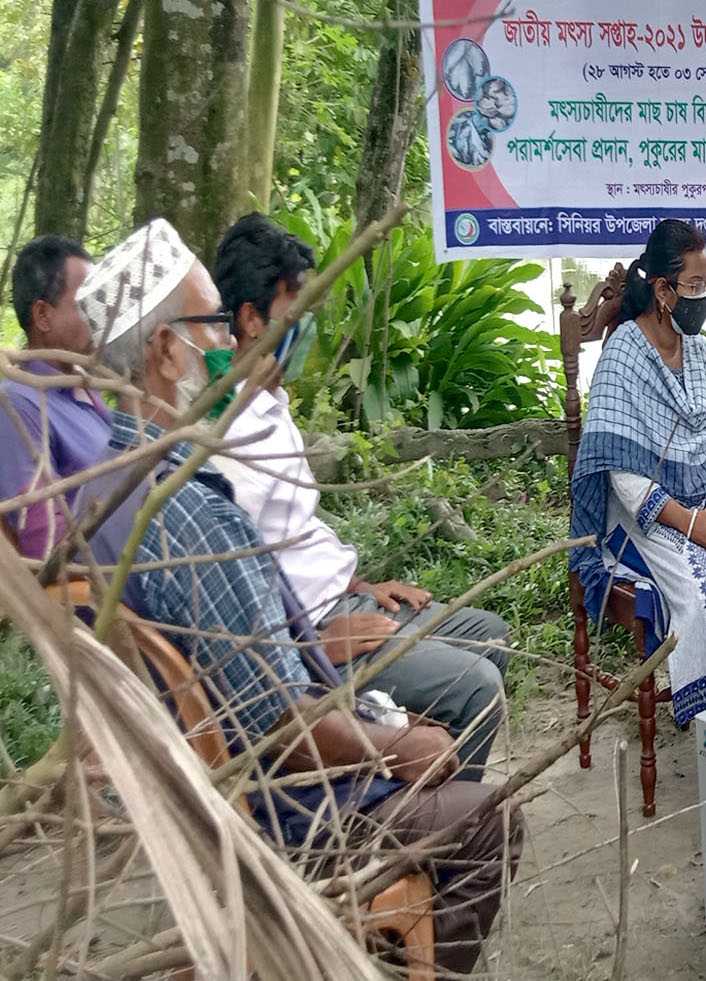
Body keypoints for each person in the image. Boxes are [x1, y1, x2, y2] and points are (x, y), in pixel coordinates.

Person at [71, 219, 523, 975]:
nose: (229, 339)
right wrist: (395, 744)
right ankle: (378, 944)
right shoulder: (192, 509)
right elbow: (278, 720)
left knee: (454, 687)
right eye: (213, 323)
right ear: (165, 352)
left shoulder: (104, 485)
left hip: (222, 778)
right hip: (291, 808)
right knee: (487, 816)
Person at [209, 214, 512, 781]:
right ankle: (441, 821)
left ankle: (430, 792)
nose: (309, 326)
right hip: (314, 638)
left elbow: (292, 538)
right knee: (477, 687)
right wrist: (311, 646)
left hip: (345, 606)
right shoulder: (228, 437)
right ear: (251, 319)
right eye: (297, 310)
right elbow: (234, 590)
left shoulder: (269, 406)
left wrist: (360, 586)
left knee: (490, 636)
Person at [570, 218, 706, 724]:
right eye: (693, 286)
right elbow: (624, 478)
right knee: (701, 596)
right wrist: (690, 524)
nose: (702, 297)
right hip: (644, 519)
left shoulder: (700, 353)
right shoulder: (622, 355)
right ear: (663, 291)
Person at [0, 235, 106, 560]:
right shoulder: (17, 407)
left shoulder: (85, 388)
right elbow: (47, 544)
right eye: (86, 304)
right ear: (43, 316)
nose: (100, 317)